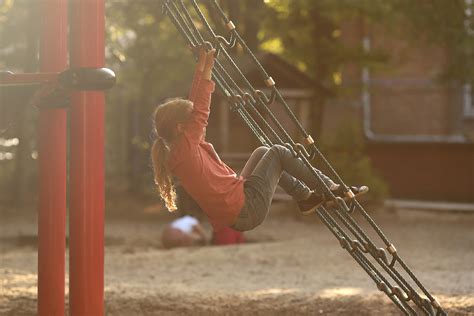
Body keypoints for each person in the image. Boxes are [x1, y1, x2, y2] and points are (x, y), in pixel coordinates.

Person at [151, 47, 368, 233]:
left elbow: (195, 103)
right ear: (181, 128)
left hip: (238, 206)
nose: (198, 125)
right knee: (278, 152)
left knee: (263, 152)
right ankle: (330, 188)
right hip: (246, 209)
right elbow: (200, 109)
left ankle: (305, 198)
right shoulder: (187, 149)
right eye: (191, 123)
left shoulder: (180, 151)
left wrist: (202, 68)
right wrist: (205, 69)